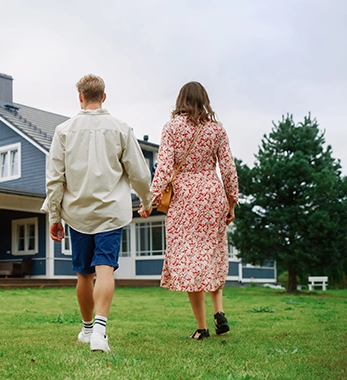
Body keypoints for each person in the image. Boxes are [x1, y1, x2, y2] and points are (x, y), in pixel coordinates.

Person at [44, 74, 153, 352]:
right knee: (105, 268)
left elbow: (55, 179)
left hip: (78, 214)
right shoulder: (121, 129)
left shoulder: (63, 131)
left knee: (83, 274)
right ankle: (100, 333)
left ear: (80, 97)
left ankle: (88, 328)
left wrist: (54, 217)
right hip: (110, 213)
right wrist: (146, 200)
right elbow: (139, 173)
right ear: (104, 97)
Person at [141, 81, 238, 340]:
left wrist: (149, 200)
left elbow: (162, 169)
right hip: (212, 194)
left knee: (191, 261)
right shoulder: (217, 129)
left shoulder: (171, 128)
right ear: (204, 100)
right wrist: (231, 202)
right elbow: (228, 169)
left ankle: (202, 327)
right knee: (212, 255)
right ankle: (219, 311)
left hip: (185, 198)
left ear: (180, 100)